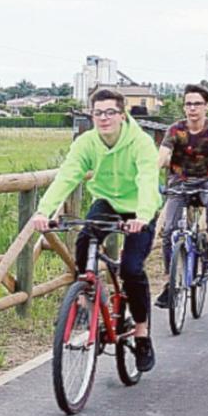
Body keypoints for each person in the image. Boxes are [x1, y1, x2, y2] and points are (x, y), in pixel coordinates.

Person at [30, 88, 163, 372]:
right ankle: (86, 300)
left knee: (131, 269)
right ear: (92, 115)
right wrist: (44, 211)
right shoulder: (87, 142)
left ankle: (141, 333)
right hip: (106, 201)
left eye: (110, 112)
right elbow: (68, 175)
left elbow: (148, 180)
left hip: (140, 205)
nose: (104, 118)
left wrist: (142, 216)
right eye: (98, 113)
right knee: (85, 238)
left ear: (122, 114)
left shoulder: (140, 143)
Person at [155, 84, 208, 313]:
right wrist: (150, 174)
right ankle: (170, 281)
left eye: (197, 103)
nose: (192, 108)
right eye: (188, 103)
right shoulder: (175, 129)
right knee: (169, 230)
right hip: (180, 181)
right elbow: (163, 154)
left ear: (206, 106)